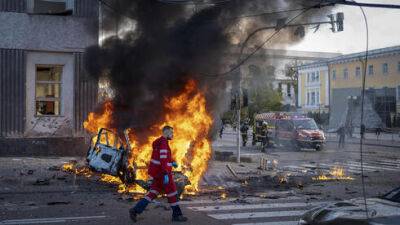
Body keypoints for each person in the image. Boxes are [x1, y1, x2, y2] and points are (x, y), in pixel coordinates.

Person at [129, 126, 188, 222]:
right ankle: (177, 215)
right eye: (171, 133)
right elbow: (163, 159)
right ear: (167, 132)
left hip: (157, 174)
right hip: (163, 173)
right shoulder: (164, 143)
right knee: (172, 193)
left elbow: (161, 158)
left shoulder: (158, 142)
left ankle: (135, 210)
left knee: (152, 193)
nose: (173, 135)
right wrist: (165, 172)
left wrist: (171, 162)